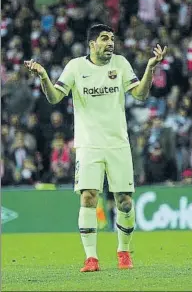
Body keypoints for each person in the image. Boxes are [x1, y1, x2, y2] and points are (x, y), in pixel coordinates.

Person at [24, 24, 167, 272]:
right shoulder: (76, 67)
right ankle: (91, 258)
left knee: (124, 202)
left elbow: (141, 95)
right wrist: (44, 77)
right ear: (92, 44)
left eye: (112, 38)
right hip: (88, 144)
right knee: (88, 196)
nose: (110, 43)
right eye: (104, 39)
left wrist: (150, 69)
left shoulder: (121, 64)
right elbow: (55, 97)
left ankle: (124, 251)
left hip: (118, 143)